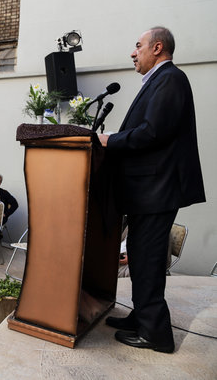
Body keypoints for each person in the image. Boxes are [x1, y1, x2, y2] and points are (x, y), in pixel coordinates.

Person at [98, 27, 205, 354]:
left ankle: (156, 334)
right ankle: (141, 317)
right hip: (149, 189)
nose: (133, 52)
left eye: (138, 46)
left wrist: (110, 140)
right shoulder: (160, 80)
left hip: (157, 189)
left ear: (157, 48)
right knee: (143, 257)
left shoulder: (170, 79)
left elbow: (154, 132)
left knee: (147, 259)